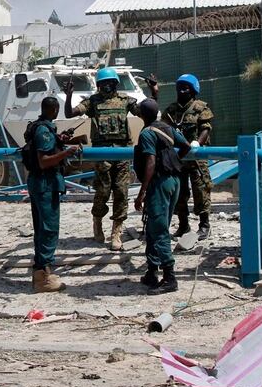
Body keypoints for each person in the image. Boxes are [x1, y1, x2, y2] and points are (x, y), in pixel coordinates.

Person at [64, 67, 158, 251]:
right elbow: (70, 113)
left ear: (115, 83)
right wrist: (68, 96)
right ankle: (97, 221)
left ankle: (117, 231)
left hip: (122, 153)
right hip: (102, 154)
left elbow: (147, 112)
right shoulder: (92, 102)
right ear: (98, 85)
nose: (107, 86)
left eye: (110, 83)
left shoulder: (124, 100)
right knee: (103, 191)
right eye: (103, 83)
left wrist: (154, 93)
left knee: (121, 192)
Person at [23, 97, 82, 293]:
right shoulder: (43, 130)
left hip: (42, 183)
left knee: (42, 229)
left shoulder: (43, 128)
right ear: (55, 109)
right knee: (48, 229)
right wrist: (67, 152)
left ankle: (42, 272)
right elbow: (44, 161)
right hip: (45, 183)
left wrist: (60, 141)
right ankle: (43, 277)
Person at [133, 99, 191, 294]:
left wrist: (142, 192)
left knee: (158, 230)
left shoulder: (147, 133)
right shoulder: (167, 128)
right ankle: (152, 271)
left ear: (141, 115)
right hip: (174, 181)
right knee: (154, 226)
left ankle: (169, 277)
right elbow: (186, 147)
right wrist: (171, 162)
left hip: (159, 183)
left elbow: (149, 162)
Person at [161, 74, 214, 241]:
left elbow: (205, 128)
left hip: (197, 157)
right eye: (180, 87)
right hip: (178, 158)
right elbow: (164, 129)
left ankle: (204, 225)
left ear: (193, 90)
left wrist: (197, 143)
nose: (182, 90)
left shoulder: (200, 108)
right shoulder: (171, 111)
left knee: (201, 190)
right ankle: (183, 225)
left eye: (186, 87)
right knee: (179, 192)